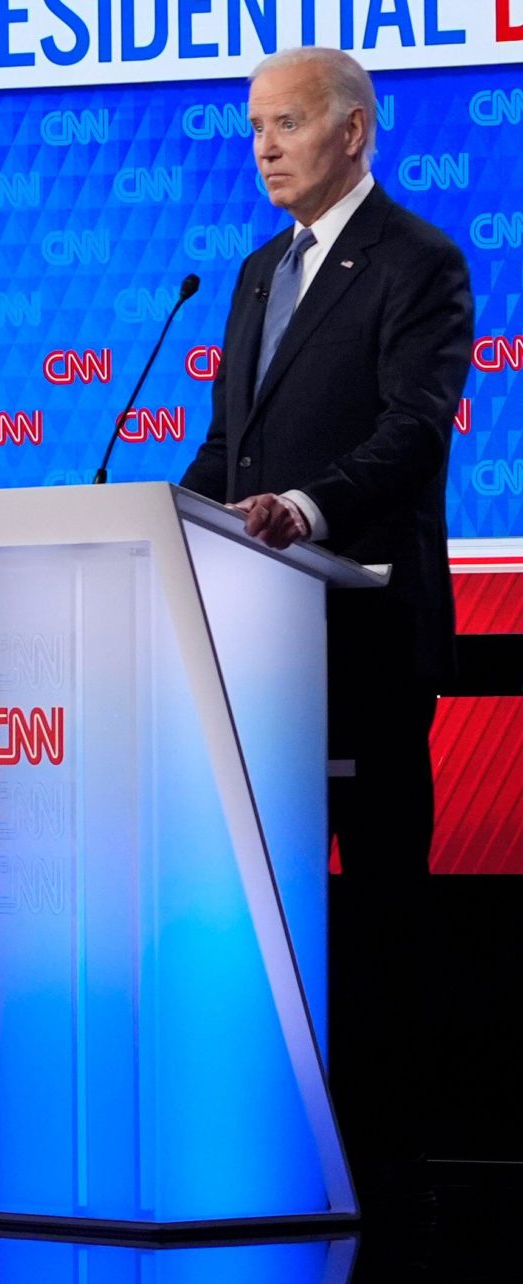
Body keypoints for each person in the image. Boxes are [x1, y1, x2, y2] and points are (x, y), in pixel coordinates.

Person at [178, 46, 473, 1204]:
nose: (263, 145)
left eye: (286, 122)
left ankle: (392, 1160)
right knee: (271, 906)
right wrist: (161, 514)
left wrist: (302, 509)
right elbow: (231, 451)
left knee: (384, 902)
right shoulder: (255, 274)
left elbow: (415, 430)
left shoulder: (419, 261)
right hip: (259, 655)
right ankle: (278, 1141)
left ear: (354, 130)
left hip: (367, 638)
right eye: (254, 125)